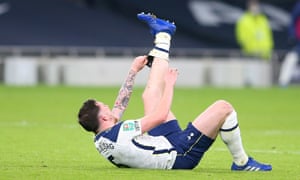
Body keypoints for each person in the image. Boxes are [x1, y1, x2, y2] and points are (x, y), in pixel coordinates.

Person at [77, 13, 272, 171]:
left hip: (164, 143)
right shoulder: (121, 131)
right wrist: (169, 85)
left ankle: (163, 36)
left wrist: (133, 71)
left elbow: (120, 105)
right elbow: (160, 116)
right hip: (178, 154)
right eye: (104, 107)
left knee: (150, 95)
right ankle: (242, 162)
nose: (108, 106)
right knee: (223, 107)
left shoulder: (101, 138)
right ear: (103, 118)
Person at [278, 1, 300, 87]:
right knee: (291, 59)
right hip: (298, 41)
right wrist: (292, 35)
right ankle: (283, 82)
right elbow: (292, 21)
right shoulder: (299, 5)